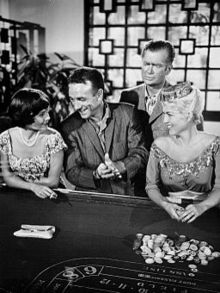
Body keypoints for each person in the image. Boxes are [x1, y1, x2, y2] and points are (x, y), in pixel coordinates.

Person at [59, 67, 148, 196]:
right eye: (72, 99)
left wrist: (121, 166)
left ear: (99, 94)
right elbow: (72, 171)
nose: (76, 106)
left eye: (81, 99)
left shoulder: (127, 114)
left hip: (128, 196)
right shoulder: (68, 127)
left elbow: (141, 153)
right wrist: (96, 174)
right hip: (90, 199)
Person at [145, 82, 220, 223]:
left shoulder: (214, 144)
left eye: (169, 114)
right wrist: (165, 204)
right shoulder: (159, 146)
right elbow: (151, 186)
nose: (165, 120)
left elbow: (219, 187)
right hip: (169, 217)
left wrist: (202, 206)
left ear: (188, 115)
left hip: (208, 218)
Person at [120, 39, 203, 150]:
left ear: (168, 69)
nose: (149, 71)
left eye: (156, 66)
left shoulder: (183, 98)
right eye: (146, 64)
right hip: (134, 165)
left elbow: (196, 145)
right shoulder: (127, 96)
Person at [0, 88, 67, 199]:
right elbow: (7, 177)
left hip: (51, 198)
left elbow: (53, 181)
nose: (48, 118)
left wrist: (17, 180)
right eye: (42, 114)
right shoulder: (5, 139)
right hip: (17, 198)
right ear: (27, 115)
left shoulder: (53, 138)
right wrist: (32, 187)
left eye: (48, 112)